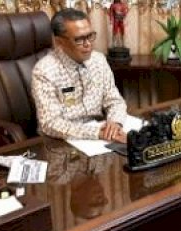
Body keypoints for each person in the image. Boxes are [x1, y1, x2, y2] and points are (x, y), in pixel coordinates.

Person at [32, 8, 128, 143]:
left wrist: (115, 123)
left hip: (101, 135)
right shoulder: (44, 71)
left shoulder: (98, 60)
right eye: (79, 39)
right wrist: (97, 133)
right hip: (62, 142)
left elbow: (115, 100)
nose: (88, 44)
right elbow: (50, 123)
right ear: (59, 41)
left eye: (90, 36)